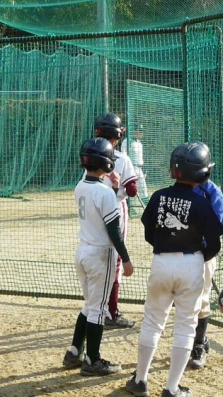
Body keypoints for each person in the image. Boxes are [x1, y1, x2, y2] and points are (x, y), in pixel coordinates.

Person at [125, 142, 223, 397]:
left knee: (152, 321)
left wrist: (166, 247)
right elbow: (215, 243)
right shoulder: (202, 203)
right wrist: (198, 258)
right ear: (203, 172)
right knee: (185, 326)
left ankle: (140, 380)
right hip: (192, 264)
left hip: (161, 262)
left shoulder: (158, 196)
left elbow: (149, 233)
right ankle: (171, 389)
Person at [62, 137, 134, 376]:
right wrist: (126, 259)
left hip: (83, 251)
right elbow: (113, 230)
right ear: (106, 163)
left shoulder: (80, 185)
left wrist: (112, 189)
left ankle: (74, 352)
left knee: (90, 305)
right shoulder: (104, 193)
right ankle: (92, 360)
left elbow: (98, 206)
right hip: (100, 255)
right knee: (99, 310)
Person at [91, 114, 138, 330]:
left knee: (97, 257)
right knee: (116, 261)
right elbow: (132, 190)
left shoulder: (91, 154)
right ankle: (111, 311)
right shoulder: (121, 157)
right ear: (117, 135)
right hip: (115, 208)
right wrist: (123, 186)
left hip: (93, 209)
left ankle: (96, 307)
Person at [188, 178, 223, 370]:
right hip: (181, 253)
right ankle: (194, 339)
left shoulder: (212, 191)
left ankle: (199, 345)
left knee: (202, 299)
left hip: (204, 254)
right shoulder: (181, 187)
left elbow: (215, 225)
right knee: (184, 300)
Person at [122, 123, 148, 201]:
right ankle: (129, 206)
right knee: (129, 190)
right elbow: (124, 156)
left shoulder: (139, 143)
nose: (141, 133)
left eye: (142, 131)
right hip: (131, 168)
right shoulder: (126, 141)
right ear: (134, 131)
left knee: (143, 191)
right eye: (139, 131)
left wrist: (144, 169)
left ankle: (146, 206)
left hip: (139, 169)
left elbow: (141, 158)